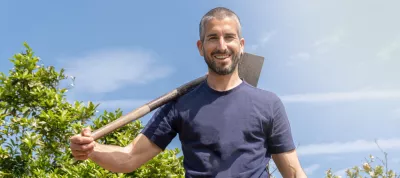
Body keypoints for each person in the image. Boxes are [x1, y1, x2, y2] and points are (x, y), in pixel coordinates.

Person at [69, 7, 307, 178]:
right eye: (213, 38)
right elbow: (131, 157)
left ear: (241, 46)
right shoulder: (180, 104)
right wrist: (92, 150)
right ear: (200, 47)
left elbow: (293, 172)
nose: (222, 46)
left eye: (229, 37)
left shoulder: (268, 103)